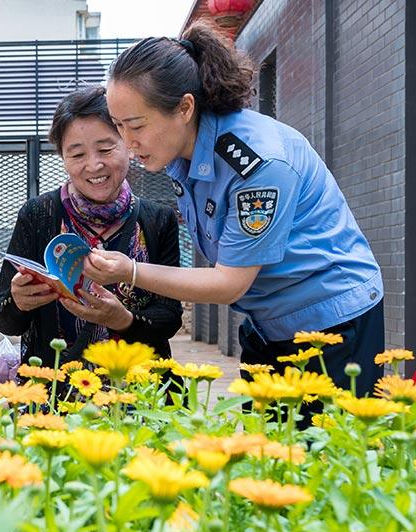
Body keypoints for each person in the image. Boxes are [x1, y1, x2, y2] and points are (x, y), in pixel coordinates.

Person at [84, 20, 385, 420]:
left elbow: (228, 282)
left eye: (136, 126)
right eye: (119, 126)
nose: (127, 141)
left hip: (334, 321)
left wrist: (130, 271)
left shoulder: (256, 165)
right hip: (268, 323)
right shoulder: (184, 155)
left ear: (185, 107)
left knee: (330, 460)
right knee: (267, 461)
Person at [0, 86, 182, 374]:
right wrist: (17, 302)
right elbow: (4, 320)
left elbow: (169, 319)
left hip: (141, 398)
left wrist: (124, 320)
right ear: (63, 158)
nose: (94, 165)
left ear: (128, 145)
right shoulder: (38, 215)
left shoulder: (158, 220)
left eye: (106, 149)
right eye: (77, 154)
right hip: (54, 397)